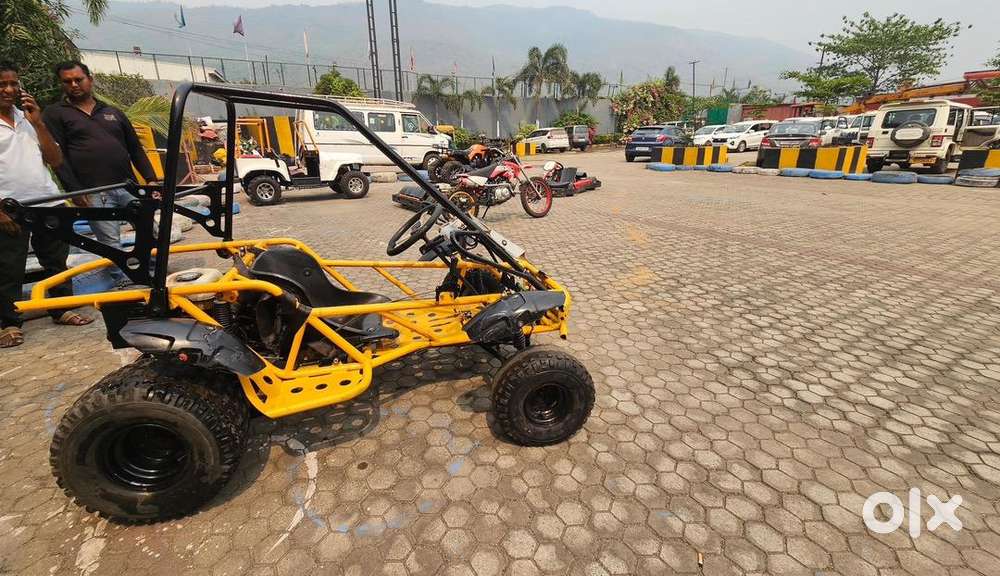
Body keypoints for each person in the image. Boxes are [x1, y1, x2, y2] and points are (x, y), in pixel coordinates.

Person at [0, 62, 93, 348]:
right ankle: (9, 323)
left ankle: (61, 308)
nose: (9, 90)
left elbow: (54, 160)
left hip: (48, 199)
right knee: (8, 268)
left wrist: (38, 122)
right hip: (10, 207)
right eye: (2, 84)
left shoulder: (28, 118)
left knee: (56, 260)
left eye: (14, 84)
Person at [42, 60, 159, 283]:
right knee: (110, 243)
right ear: (62, 85)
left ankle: (154, 275)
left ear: (90, 79)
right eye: (68, 82)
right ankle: (125, 284)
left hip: (129, 187)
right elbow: (59, 159)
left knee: (151, 232)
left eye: (79, 79)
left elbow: (135, 147)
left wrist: (151, 181)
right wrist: (75, 192)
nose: (74, 85)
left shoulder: (111, 112)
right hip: (95, 191)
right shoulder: (56, 114)